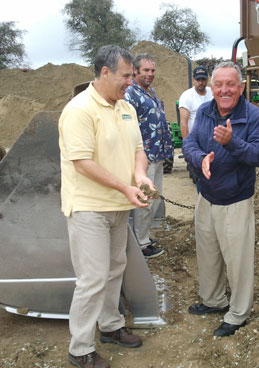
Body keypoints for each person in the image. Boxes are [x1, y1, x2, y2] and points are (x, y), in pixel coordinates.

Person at [59, 45, 153, 368]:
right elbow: (82, 163)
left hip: (118, 205)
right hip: (88, 208)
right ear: (105, 73)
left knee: (115, 270)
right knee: (92, 278)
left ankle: (110, 326)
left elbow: (139, 148)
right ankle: (80, 347)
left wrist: (139, 176)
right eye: (126, 76)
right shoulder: (80, 110)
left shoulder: (125, 107)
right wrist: (125, 187)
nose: (131, 81)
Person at [182, 61, 259, 337]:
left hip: (235, 201)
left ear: (241, 87)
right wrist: (200, 159)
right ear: (211, 87)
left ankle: (238, 314)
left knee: (237, 261)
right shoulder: (206, 111)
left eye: (230, 84)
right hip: (206, 198)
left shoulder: (254, 116)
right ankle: (214, 301)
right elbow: (189, 143)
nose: (224, 90)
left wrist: (232, 142)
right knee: (207, 255)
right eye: (218, 84)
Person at [125, 53, 173, 259]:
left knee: (154, 198)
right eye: (146, 70)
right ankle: (141, 244)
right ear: (135, 70)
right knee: (146, 200)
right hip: (143, 157)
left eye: (152, 70)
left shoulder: (150, 91)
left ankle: (143, 235)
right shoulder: (130, 94)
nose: (150, 74)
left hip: (158, 154)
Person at [178, 66, 213, 139]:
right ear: (193, 80)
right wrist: (187, 144)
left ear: (207, 80)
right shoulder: (186, 96)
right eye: (198, 79)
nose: (201, 82)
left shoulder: (213, 94)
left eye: (203, 79)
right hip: (195, 139)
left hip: (212, 139)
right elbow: (184, 123)